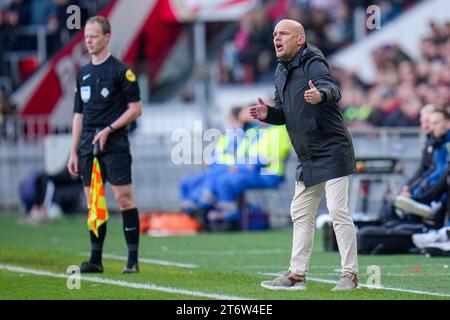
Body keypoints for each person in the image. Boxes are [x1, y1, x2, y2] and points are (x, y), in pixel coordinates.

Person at [249, 19, 358, 291]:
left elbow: (333, 90)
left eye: (283, 33)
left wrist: (320, 94)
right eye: (274, 33)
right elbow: (285, 114)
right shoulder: (280, 70)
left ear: (299, 40)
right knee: (300, 213)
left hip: (332, 148)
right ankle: (296, 276)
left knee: (337, 211)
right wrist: (268, 114)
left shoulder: (313, 61)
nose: (276, 38)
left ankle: (350, 275)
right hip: (308, 155)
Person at [67, 16, 142, 274]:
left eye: (94, 36)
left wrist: (110, 129)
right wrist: (73, 151)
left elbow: (136, 109)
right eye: (86, 36)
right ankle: (96, 260)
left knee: (123, 198)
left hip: (115, 142)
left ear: (107, 37)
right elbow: (78, 115)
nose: (88, 40)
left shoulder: (122, 71)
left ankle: (132, 261)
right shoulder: (83, 73)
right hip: (88, 144)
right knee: (94, 203)